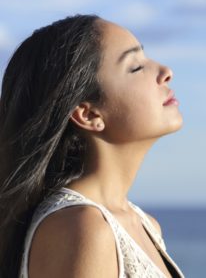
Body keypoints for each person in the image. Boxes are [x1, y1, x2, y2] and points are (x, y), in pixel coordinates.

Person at [0, 14, 185, 278]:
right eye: (135, 67)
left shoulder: (143, 224)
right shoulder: (82, 227)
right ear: (88, 115)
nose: (166, 72)